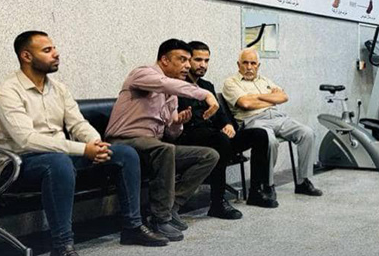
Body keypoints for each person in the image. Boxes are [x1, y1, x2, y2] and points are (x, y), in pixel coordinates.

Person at [0, 31, 169, 256]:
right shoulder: (7, 92)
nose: (56, 54)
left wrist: (97, 144)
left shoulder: (59, 89)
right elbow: (27, 140)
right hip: (20, 164)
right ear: (26, 56)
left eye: (54, 48)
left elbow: (78, 124)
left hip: (61, 157)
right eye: (47, 50)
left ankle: (132, 227)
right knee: (58, 163)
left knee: (125, 154)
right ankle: (61, 246)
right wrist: (83, 149)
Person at [106, 39, 220, 242]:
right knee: (165, 149)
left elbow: (172, 133)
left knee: (208, 155)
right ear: (165, 60)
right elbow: (164, 83)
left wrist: (177, 123)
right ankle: (160, 218)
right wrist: (206, 95)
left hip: (153, 146)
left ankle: (172, 206)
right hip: (123, 142)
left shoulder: (171, 95)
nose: (187, 65)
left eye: (188, 60)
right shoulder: (142, 74)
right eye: (182, 59)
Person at [175, 41, 278, 219]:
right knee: (221, 140)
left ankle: (256, 192)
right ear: (187, 61)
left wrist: (228, 125)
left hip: (213, 135)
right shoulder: (176, 85)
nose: (203, 65)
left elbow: (220, 114)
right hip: (189, 136)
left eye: (206, 60)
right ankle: (217, 203)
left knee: (259, 134)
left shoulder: (207, 85)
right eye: (198, 60)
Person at [222, 48, 323, 198]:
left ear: (258, 66)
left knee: (307, 133)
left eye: (253, 63)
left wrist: (256, 97)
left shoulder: (265, 80)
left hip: (277, 117)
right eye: (245, 63)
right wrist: (270, 98)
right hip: (253, 121)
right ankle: (267, 185)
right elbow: (245, 103)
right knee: (269, 140)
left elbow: (283, 97)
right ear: (238, 64)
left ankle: (303, 182)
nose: (249, 67)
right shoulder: (231, 82)